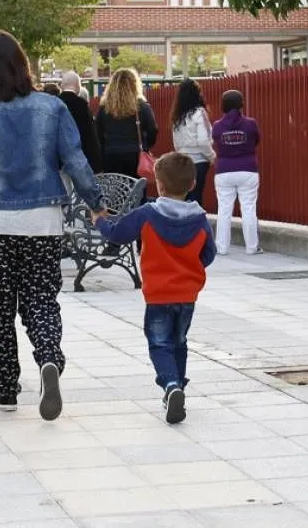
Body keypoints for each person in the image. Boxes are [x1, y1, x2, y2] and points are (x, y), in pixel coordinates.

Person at [0, 30, 105, 421]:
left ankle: (5, 390)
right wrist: (95, 203)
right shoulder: (51, 108)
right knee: (40, 297)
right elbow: (75, 159)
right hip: (42, 220)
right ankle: (49, 359)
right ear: (23, 64)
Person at [95, 152, 216, 424]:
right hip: (187, 295)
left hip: (158, 294)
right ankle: (178, 387)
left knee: (159, 344)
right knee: (179, 342)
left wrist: (100, 220)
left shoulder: (148, 214)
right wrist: (190, 268)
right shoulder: (199, 219)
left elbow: (118, 233)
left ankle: (171, 385)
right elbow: (208, 254)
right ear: (193, 183)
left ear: (159, 185)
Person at [212, 89, 262, 255]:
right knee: (248, 208)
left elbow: (216, 141)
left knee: (224, 209)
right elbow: (256, 140)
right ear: (241, 105)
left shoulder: (217, 126)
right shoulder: (250, 124)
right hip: (248, 169)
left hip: (224, 171)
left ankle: (222, 247)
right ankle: (252, 247)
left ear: (223, 105)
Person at [95, 68, 158, 178]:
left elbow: (98, 134)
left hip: (111, 155)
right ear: (135, 85)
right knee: (137, 190)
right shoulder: (142, 107)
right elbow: (153, 130)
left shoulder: (104, 108)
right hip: (135, 155)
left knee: (116, 192)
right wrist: (145, 146)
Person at [172, 79, 216, 204]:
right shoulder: (199, 113)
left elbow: (176, 142)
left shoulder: (177, 116)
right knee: (196, 197)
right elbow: (203, 141)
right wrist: (211, 156)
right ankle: (195, 223)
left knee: (183, 197)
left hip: (182, 161)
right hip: (199, 161)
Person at [59, 71, 103, 173]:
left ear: (62, 86)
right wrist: (97, 164)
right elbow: (90, 135)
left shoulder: (55, 103)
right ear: (78, 86)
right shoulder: (81, 105)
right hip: (79, 159)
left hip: (59, 160)